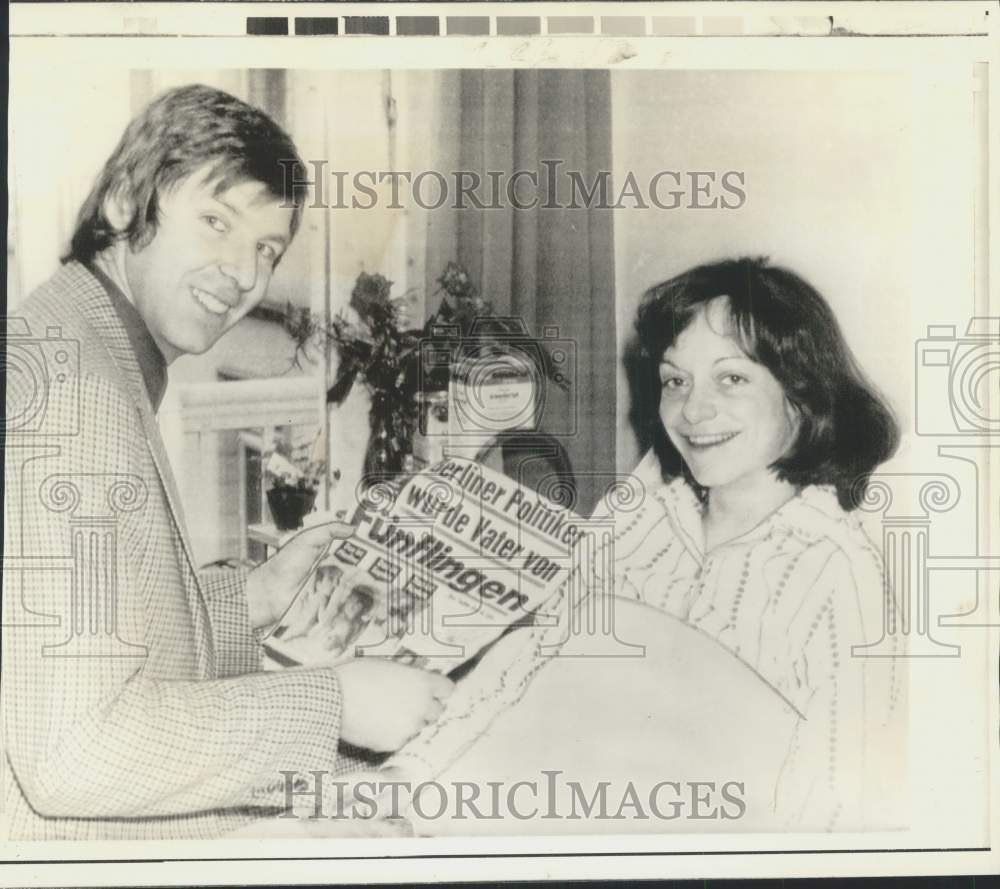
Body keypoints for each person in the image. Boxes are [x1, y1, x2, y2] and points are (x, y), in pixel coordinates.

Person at [3, 84, 452, 840]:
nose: (243, 274)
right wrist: (334, 700)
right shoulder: (77, 393)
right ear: (122, 203)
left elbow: (90, 637)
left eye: (266, 250)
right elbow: (76, 750)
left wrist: (256, 597)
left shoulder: (71, 340)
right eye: (216, 222)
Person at [386, 257, 906, 832]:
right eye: (675, 380)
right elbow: (524, 672)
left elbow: (845, 804)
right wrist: (400, 787)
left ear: (801, 395)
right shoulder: (635, 520)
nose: (693, 409)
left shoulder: (836, 567)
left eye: (731, 378)